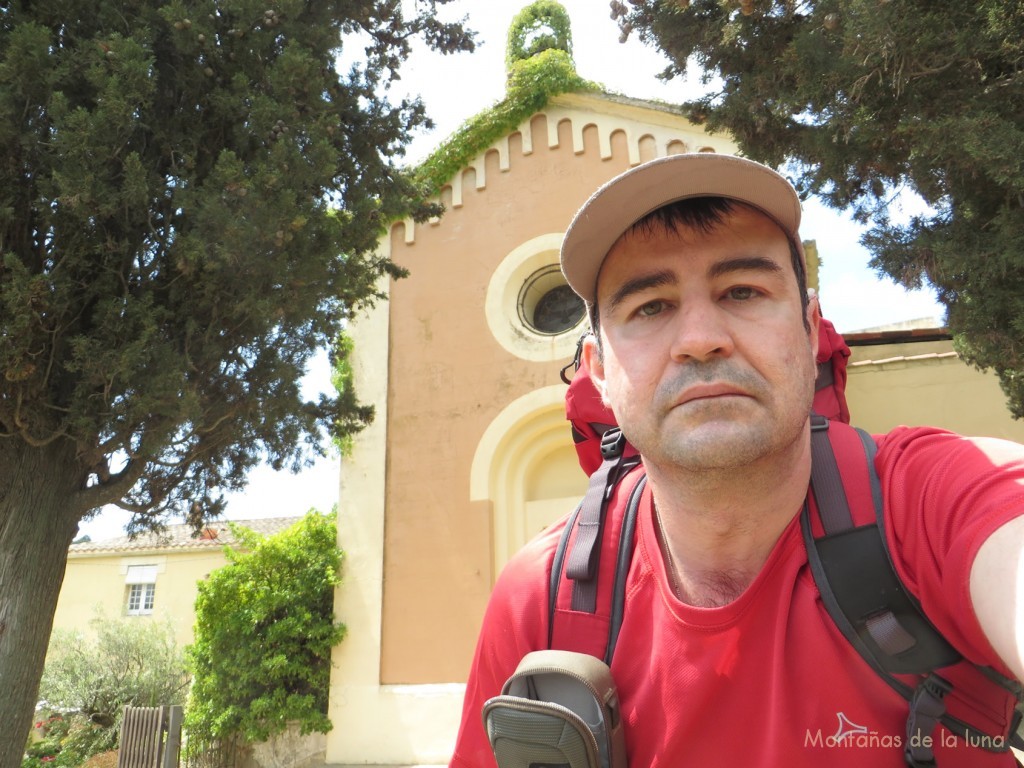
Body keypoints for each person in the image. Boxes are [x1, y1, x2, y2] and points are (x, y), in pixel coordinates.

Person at [449, 153, 1024, 767]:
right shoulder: (539, 599)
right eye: (650, 306)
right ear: (600, 374)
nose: (700, 338)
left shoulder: (932, 501)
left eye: (742, 290)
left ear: (809, 332)